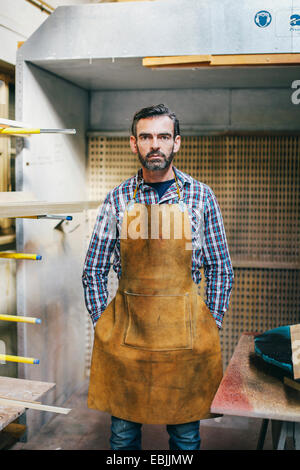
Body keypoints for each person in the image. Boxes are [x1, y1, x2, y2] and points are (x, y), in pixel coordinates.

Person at [82, 104, 234, 450]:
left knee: (185, 438)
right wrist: (102, 324)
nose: (155, 144)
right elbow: (93, 269)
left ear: (176, 143)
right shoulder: (117, 199)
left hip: (185, 340)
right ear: (133, 144)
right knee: (122, 437)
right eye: (146, 136)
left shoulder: (201, 197)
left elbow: (220, 268)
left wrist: (212, 322)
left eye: (163, 136)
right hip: (127, 341)